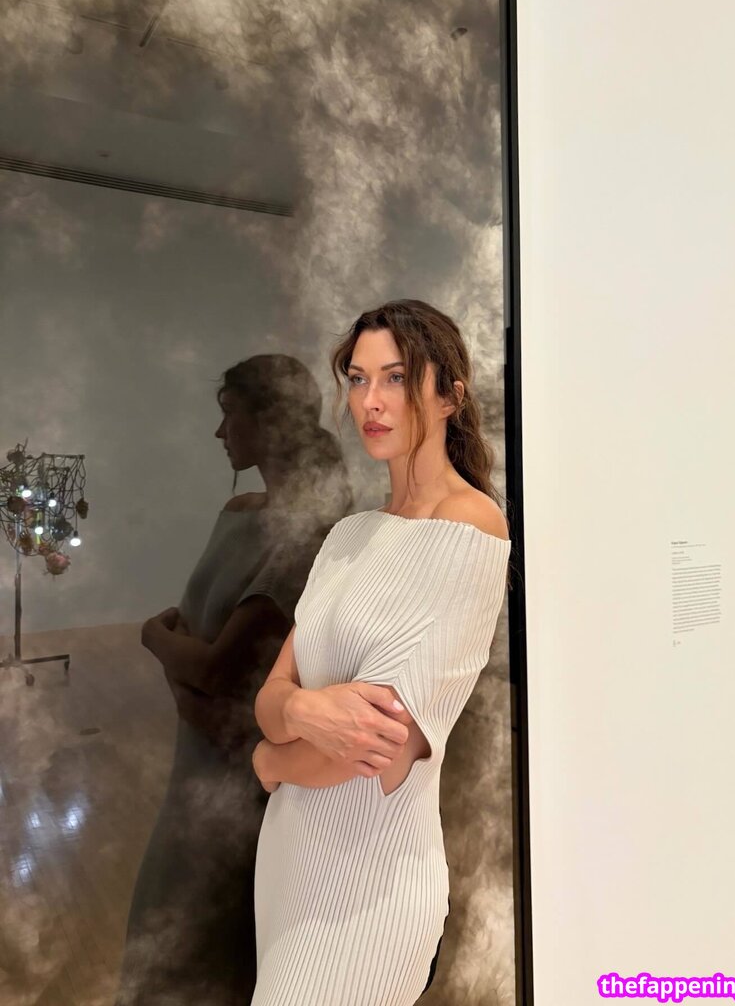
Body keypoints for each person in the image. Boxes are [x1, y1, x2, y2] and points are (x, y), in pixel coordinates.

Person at [250, 300, 512, 1006]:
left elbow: (377, 751)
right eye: (359, 379)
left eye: (395, 378)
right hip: (291, 862)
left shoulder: (469, 526)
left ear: (449, 395)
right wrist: (301, 710)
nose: (370, 401)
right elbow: (271, 697)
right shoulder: (350, 535)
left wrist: (271, 760)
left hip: (368, 888)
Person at [116, 354, 352, 1006]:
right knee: (168, 942)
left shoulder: (307, 532)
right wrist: (183, 670)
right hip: (197, 763)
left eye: (230, 414)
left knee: (205, 951)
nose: (219, 432)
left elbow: (216, 667)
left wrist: (151, 637)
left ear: (269, 421)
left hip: (243, 778)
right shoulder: (239, 510)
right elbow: (201, 646)